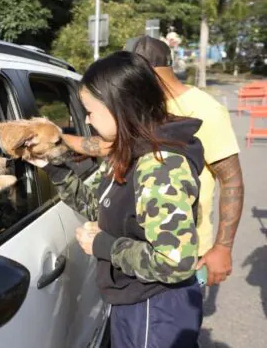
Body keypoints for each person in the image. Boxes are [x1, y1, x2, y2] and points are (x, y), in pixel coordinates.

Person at [28, 51, 205, 347]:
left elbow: (175, 262)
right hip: (134, 298)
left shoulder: (160, 166)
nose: (86, 119)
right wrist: (52, 168)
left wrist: (103, 245)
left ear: (119, 107)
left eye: (90, 110)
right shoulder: (130, 152)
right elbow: (97, 204)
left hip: (155, 308)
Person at [64, 36, 245, 287]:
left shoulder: (205, 110)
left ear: (142, 72)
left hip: (181, 244)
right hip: (137, 244)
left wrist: (223, 246)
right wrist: (56, 142)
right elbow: (105, 146)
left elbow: (231, 179)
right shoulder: (130, 111)